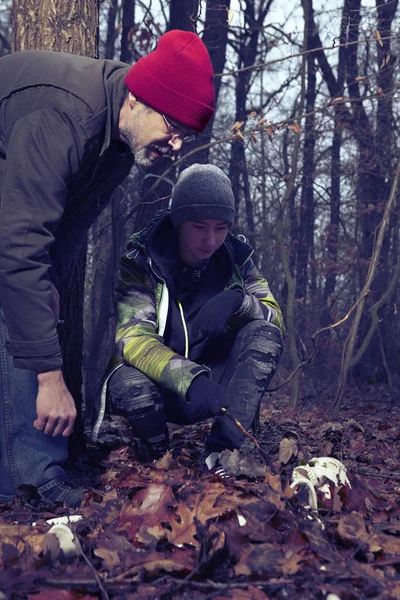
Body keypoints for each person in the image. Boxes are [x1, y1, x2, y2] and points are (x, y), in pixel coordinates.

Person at [0, 31, 215, 508]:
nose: (176, 145)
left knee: (34, 297)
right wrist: (50, 378)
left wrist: (49, 284)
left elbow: (70, 226)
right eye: (173, 126)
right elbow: (18, 252)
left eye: (188, 135)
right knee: (18, 299)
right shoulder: (63, 118)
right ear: (138, 100)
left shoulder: (123, 144)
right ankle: (29, 481)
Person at [93, 164, 284, 475]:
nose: (210, 240)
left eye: (221, 228)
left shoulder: (238, 259)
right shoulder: (142, 261)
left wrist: (238, 301)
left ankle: (222, 453)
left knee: (265, 332)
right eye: (199, 226)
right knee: (129, 383)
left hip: (216, 386)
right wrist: (190, 378)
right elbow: (132, 338)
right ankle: (155, 456)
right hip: (162, 385)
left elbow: (274, 316)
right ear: (179, 222)